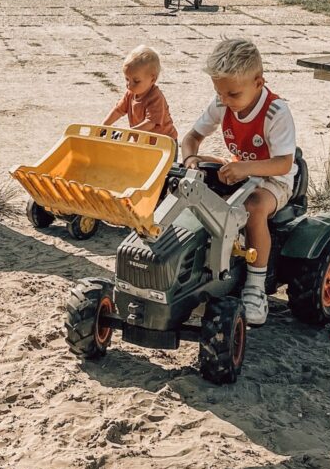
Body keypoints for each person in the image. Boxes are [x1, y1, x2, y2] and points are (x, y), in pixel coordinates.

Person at [180, 38, 297, 327]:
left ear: (258, 82)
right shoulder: (222, 101)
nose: (225, 101)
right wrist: (190, 161)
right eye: (220, 93)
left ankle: (255, 286)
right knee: (192, 185)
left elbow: (284, 162)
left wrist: (245, 168)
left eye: (232, 94)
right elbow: (191, 138)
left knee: (253, 207)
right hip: (239, 168)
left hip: (273, 180)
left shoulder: (276, 112)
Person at [103, 45, 177, 139]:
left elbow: (150, 123)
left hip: (164, 144)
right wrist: (104, 126)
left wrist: (129, 133)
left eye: (136, 81)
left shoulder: (156, 98)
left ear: (152, 79)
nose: (129, 85)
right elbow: (118, 110)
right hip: (143, 142)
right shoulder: (130, 93)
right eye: (127, 79)